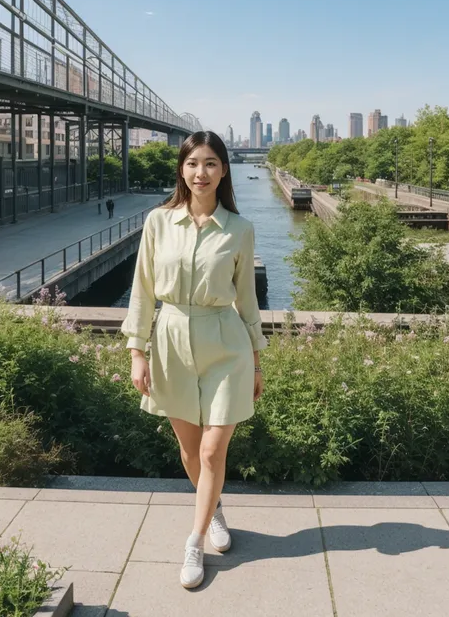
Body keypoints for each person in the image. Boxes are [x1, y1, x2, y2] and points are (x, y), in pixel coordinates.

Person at [121, 130, 267, 590]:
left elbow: (247, 302)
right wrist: (136, 351)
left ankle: (195, 540)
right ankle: (216, 508)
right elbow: (142, 289)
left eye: (210, 163)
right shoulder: (158, 223)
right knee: (189, 451)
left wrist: (258, 362)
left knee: (211, 449)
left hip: (226, 343)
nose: (199, 172)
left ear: (224, 171)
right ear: (181, 170)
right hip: (171, 340)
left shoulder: (240, 230)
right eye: (192, 163)